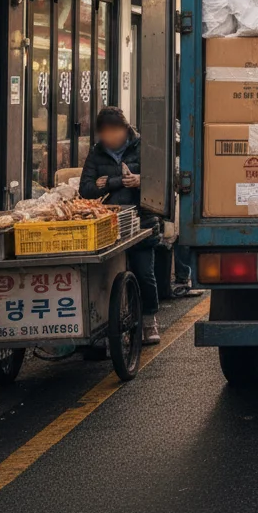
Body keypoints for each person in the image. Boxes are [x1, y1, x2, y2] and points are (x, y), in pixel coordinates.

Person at [80, 107, 161, 345]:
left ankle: (149, 320)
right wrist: (119, 182)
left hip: (141, 221)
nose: (110, 137)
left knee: (145, 274)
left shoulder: (143, 147)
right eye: (105, 132)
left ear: (126, 129)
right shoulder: (96, 154)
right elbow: (86, 189)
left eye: (114, 131)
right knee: (105, 278)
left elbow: (160, 181)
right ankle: (106, 327)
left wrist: (140, 181)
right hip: (108, 226)